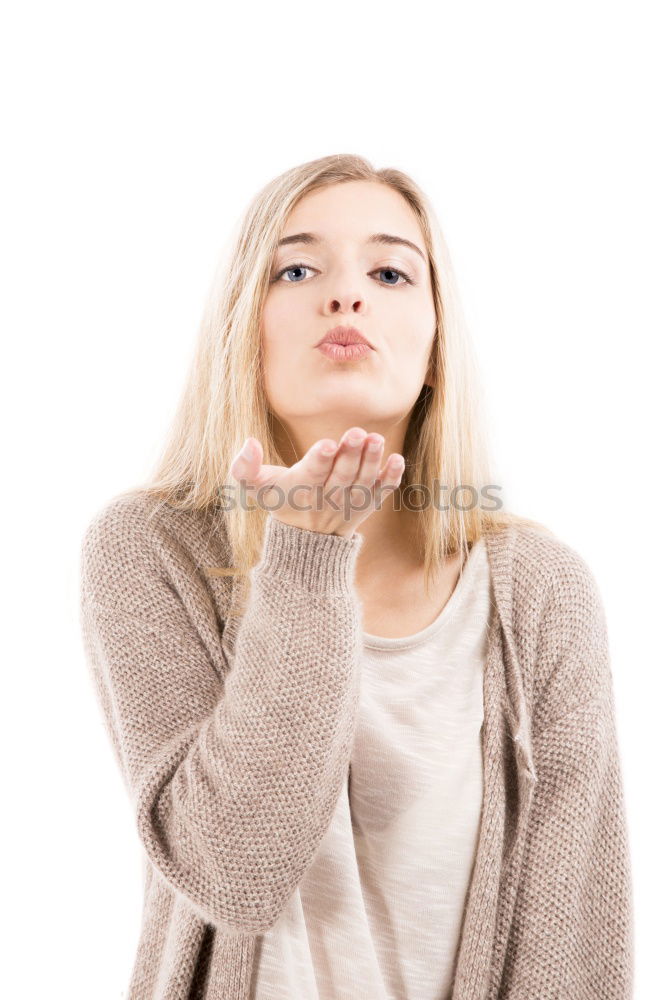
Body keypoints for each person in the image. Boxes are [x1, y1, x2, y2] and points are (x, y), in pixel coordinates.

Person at [79, 153, 634, 999]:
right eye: (297, 268)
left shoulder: (542, 594)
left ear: (437, 345)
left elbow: (575, 943)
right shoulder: (149, 549)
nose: (345, 296)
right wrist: (304, 557)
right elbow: (234, 869)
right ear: (243, 327)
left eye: (389, 271)